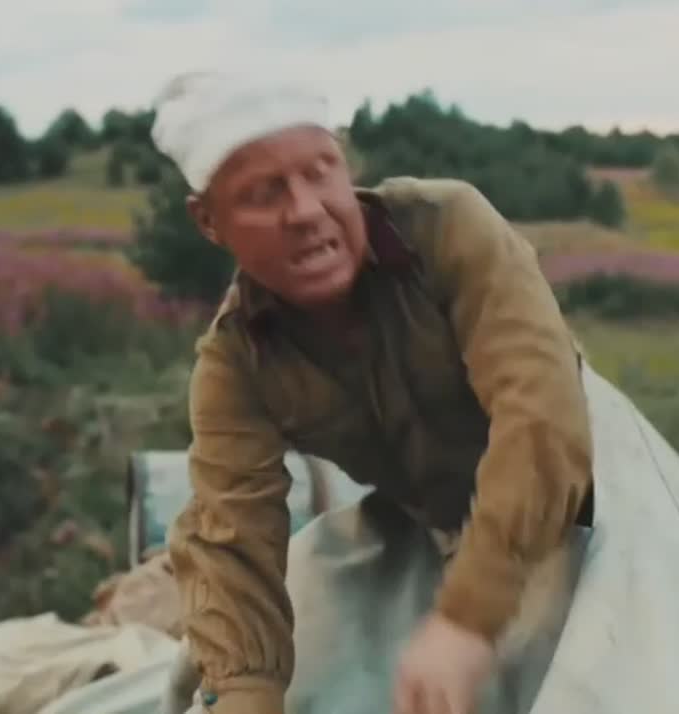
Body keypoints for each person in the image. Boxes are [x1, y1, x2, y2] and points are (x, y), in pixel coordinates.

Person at [151, 70, 594, 714]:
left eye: (320, 173)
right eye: (263, 194)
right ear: (209, 221)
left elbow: (541, 420)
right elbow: (231, 537)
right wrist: (246, 691)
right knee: (221, 675)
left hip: (588, 503)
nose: (306, 212)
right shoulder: (236, 363)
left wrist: (469, 619)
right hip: (429, 529)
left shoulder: (446, 228)